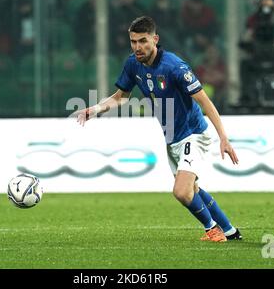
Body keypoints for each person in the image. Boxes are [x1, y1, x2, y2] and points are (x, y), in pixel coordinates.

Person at [75, 16, 242, 242]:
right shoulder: (132, 64)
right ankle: (230, 231)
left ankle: (213, 229)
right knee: (193, 189)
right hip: (172, 136)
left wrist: (223, 137)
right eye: (133, 41)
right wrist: (93, 110)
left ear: (155, 39)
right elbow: (120, 97)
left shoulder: (175, 66)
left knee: (182, 192)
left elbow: (205, 102)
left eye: (142, 41)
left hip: (193, 134)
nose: (137, 47)